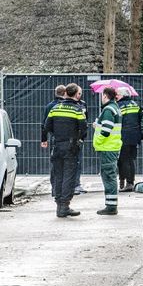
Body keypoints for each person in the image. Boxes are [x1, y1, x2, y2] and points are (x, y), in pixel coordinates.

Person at [41, 82, 87, 218]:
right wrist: (78, 139)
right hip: (71, 147)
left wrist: (53, 136)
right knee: (69, 176)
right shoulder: (77, 110)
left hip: (57, 146)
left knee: (57, 175)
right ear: (75, 94)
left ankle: (58, 205)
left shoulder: (55, 108)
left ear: (66, 92)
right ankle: (64, 206)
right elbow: (84, 129)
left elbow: (46, 126)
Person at [93, 87, 123, 215]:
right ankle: (111, 205)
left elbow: (106, 130)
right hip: (113, 147)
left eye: (102, 95)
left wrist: (97, 140)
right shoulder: (115, 108)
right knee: (110, 175)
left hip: (107, 147)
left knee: (108, 176)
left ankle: (111, 207)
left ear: (105, 96)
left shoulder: (108, 110)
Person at [117, 90, 143, 191]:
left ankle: (126, 183)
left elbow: (118, 121)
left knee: (123, 160)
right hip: (135, 136)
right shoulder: (135, 105)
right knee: (130, 160)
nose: (116, 96)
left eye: (117, 94)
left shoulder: (119, 106)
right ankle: (129, 181)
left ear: (122, 95)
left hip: (123, 136)